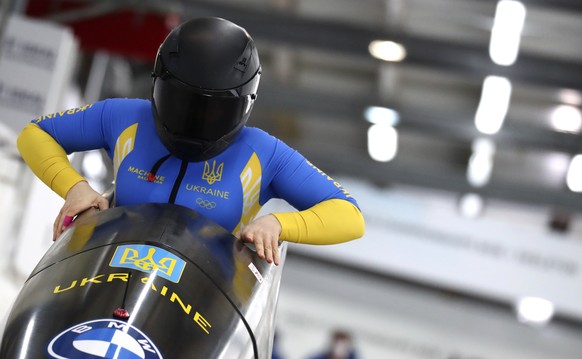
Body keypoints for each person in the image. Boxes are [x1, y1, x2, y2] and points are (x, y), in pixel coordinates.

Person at [16, 16, 365, 265]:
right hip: (107, 272)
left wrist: (280, 224)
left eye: (213, 111)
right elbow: (35, 133)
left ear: (244, 105)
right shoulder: (123, 117)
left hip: (196, 304)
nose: (196, 120)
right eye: (182, 102)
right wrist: (74, 186)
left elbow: (349, 215)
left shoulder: (263, 153)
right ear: (158, 86)